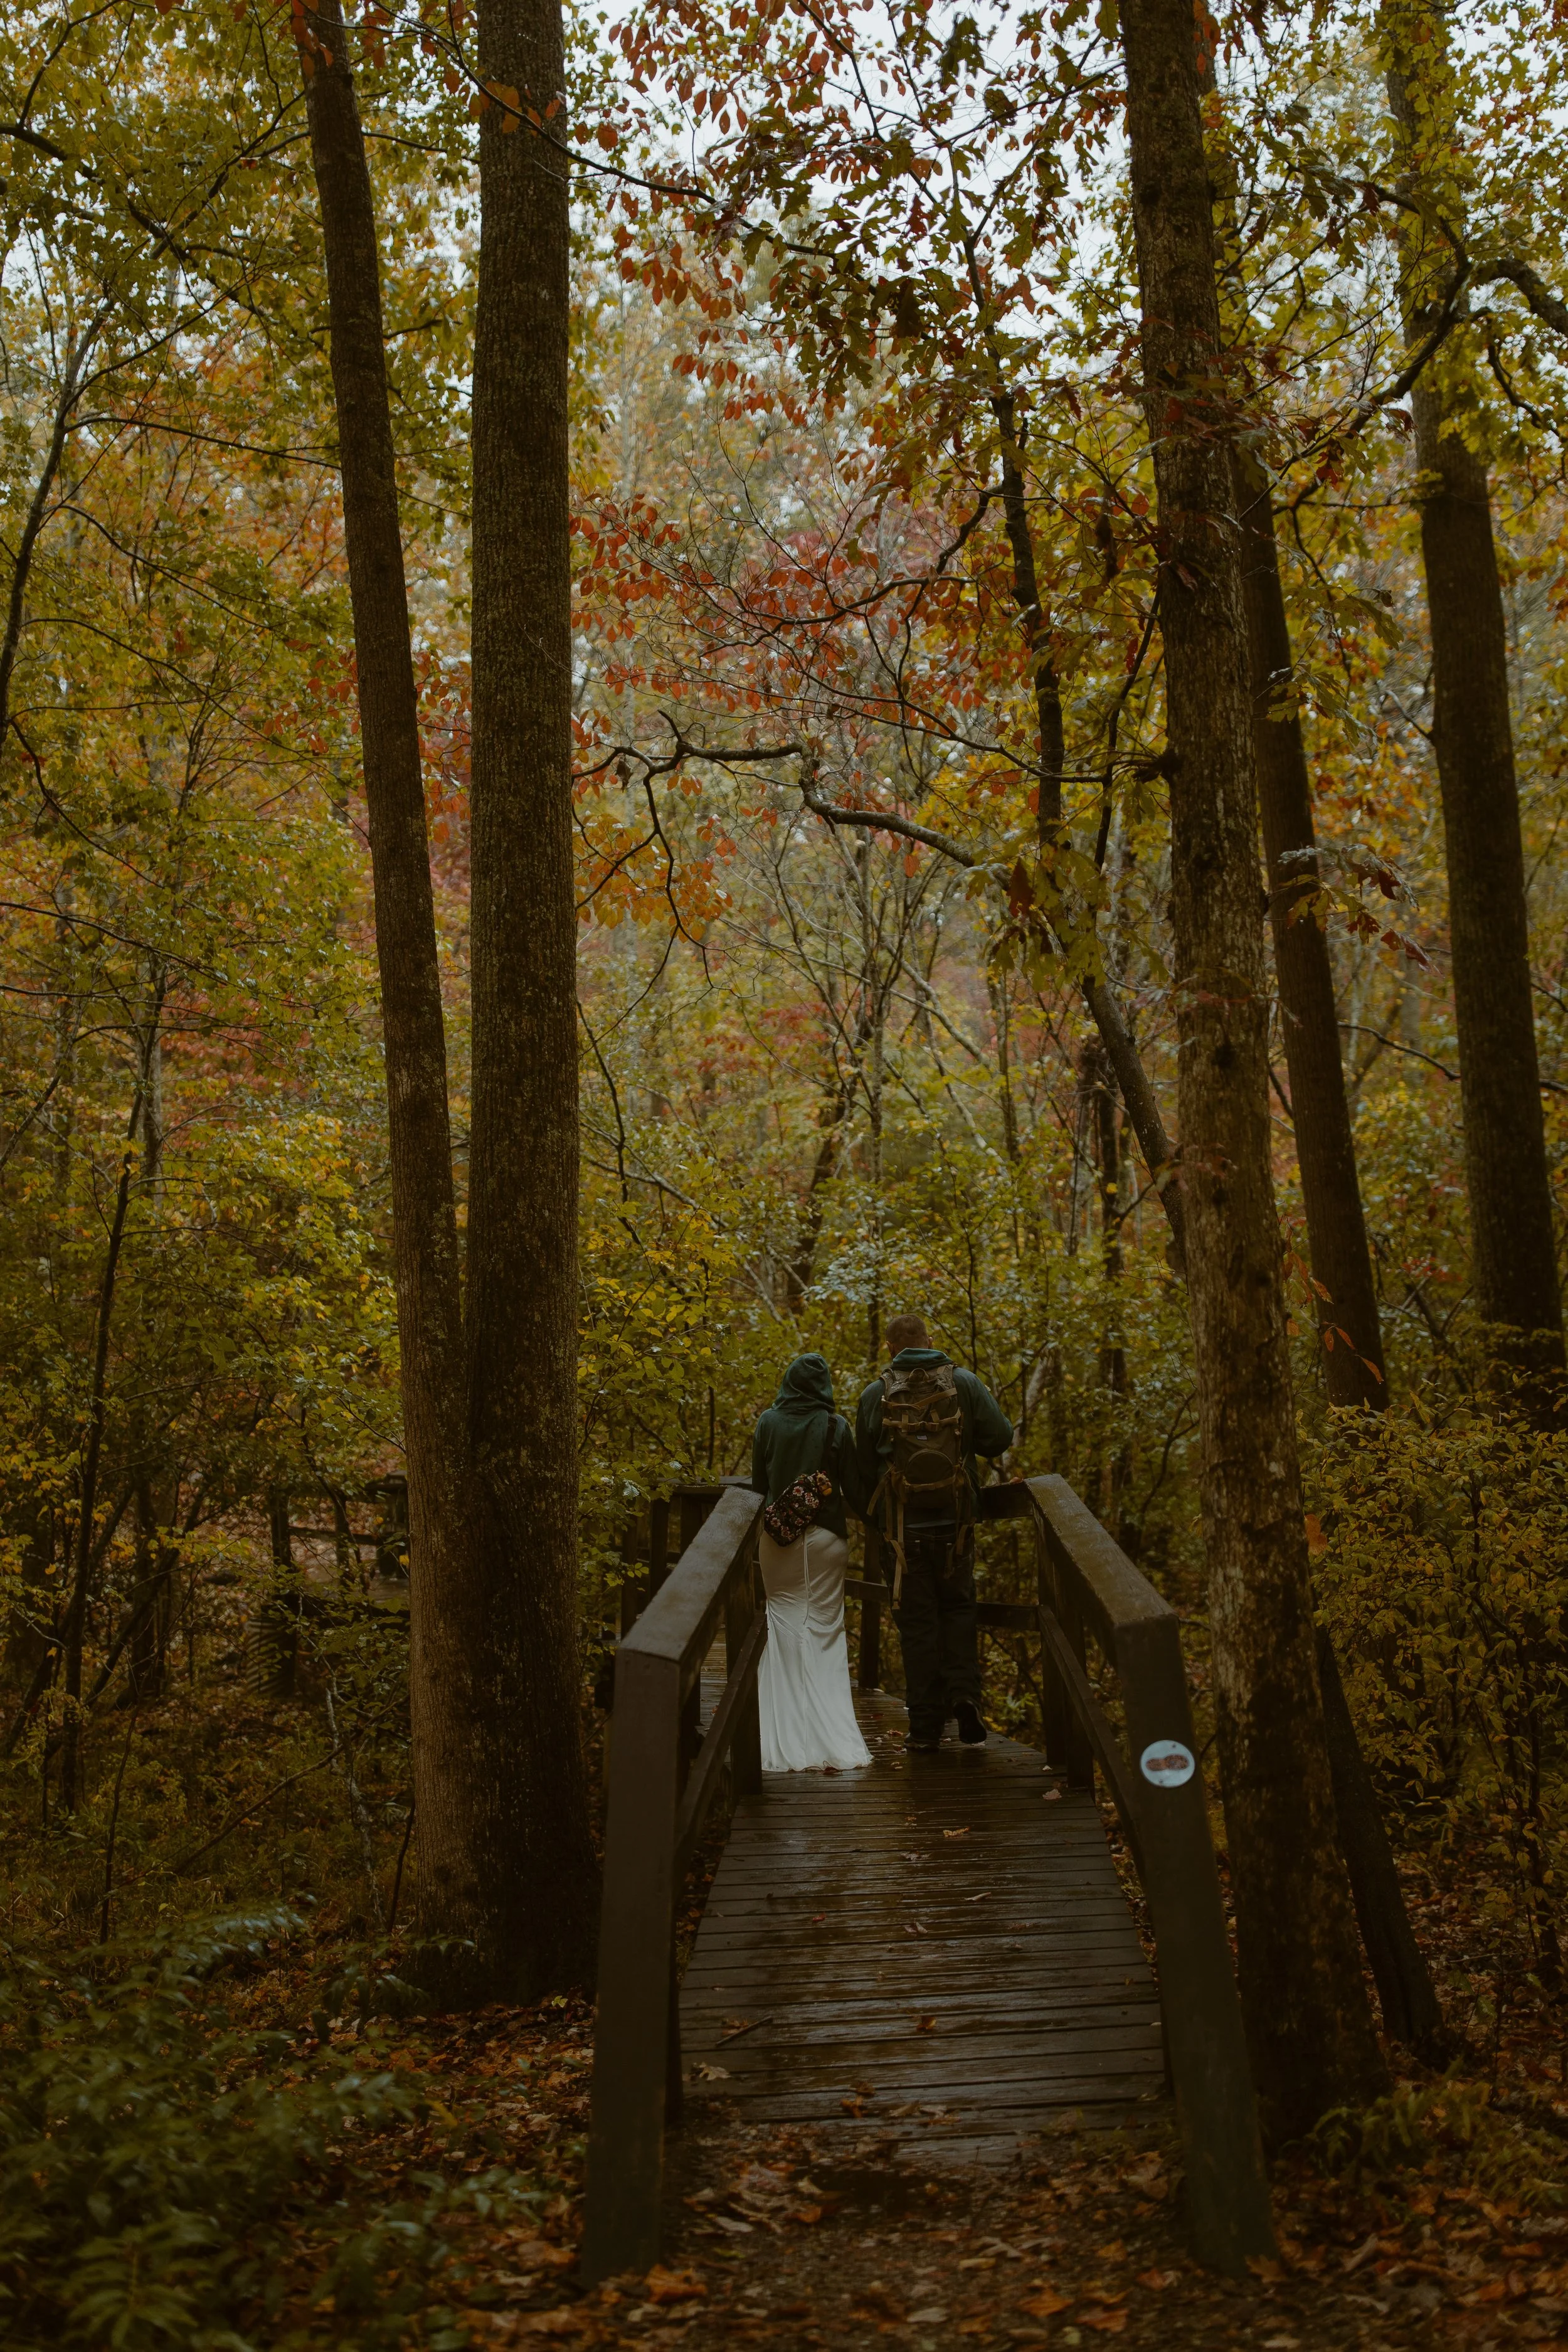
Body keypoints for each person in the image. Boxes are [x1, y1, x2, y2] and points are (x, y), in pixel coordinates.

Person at [856, 1313, 1014, 1753]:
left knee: (918, 1627)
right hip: (956, 1527)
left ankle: (925, 1729)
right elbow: (1000, 1438)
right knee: (959, 1613)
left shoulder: (875, 1394)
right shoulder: (964, 1384)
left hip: (903, 1536)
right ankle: (965, 1698)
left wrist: (880, 1518)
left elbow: (863, 1464)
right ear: (930, 1340)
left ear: (890, 1348)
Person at [749, 1353, 872, 1774]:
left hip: (777, 1540)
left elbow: (758, 1488)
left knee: (781, 1623)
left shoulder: (768, 1423)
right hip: (826, 1541)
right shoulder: (837, 1428)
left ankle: (779, 1735)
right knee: (824, 1631)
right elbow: (855, 1490)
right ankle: (831, 1736)